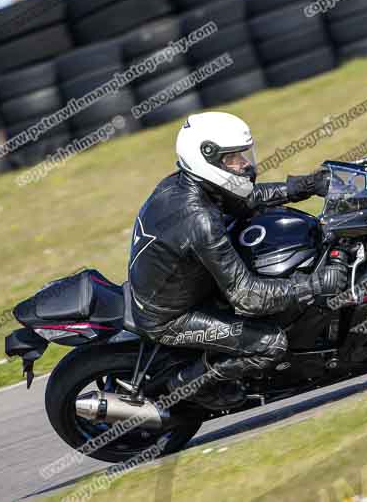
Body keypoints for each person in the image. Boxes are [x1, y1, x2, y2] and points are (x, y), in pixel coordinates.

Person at [127, 112, 347, 410]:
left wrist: (303, 187)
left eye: (244, 155)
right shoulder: (199, 218)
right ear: (208, 158)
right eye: (234, 158)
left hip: (180, 286)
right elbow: (248, 298)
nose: (246, 164)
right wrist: (314, 284)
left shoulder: (187, 184)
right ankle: (188, 384)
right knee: (271, 344)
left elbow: (245, 199)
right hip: (170, 318)